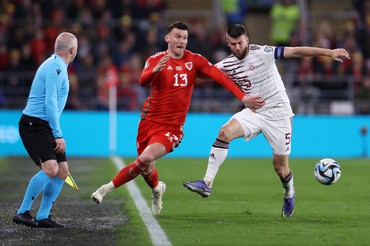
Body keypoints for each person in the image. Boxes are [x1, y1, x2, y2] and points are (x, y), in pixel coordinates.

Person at [90, 21, 264, 215]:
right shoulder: (156, 59)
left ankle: (106, 189)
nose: (182, 41)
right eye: (178, 37)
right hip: (148, 121)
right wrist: (154, 71)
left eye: (185, 38)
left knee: (145, 157)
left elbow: (219, 76)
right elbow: (142, 81)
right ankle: (157, 190)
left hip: (171, 128)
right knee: (147, 170)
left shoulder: (194, 60)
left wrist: (243, 97)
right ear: (168, 38)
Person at [183, 24, 350, 217]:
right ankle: (207, 183)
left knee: (280, 167)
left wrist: (328, 52)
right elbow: (205, 77)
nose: (237, 47)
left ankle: (289, 193)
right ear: (228, 43)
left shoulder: (263, 52)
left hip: (279, 115)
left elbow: (295, 51)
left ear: (247, 40)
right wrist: (175, 77)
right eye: (233, 44)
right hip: (254, 112)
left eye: (240, 42)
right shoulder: (227, 64)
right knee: (224, 132)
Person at [13, 32, 78, 228]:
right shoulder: (55, 67)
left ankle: (43, 216)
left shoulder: (56, 65)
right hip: (35, 124)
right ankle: (23, 211)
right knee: (51, 168)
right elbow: (50, 102)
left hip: (43, 124)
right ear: (73, 50)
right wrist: (58, 134)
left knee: (62, 170)